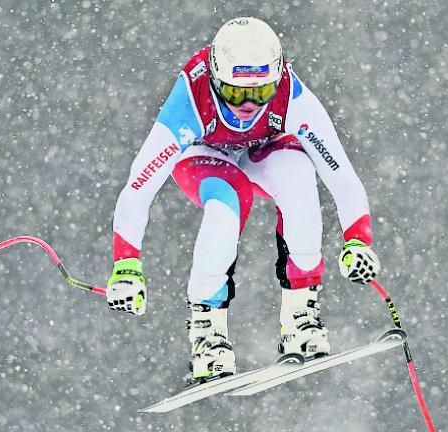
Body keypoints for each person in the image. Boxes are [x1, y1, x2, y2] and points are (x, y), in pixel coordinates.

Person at [105, 17, 380, 384]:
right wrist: (126, 266)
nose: (248, 106)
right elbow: (140, 185)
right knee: (226, 206)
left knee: (300, 176)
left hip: (261, 149)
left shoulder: (290, 94)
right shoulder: (192, 96)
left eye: (260, 93)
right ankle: (207, 333)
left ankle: (301, 316)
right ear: (217, 81)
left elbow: (341, 175)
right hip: (204, 154)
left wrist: (358, 241)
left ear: (277, 79)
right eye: (236, 94)